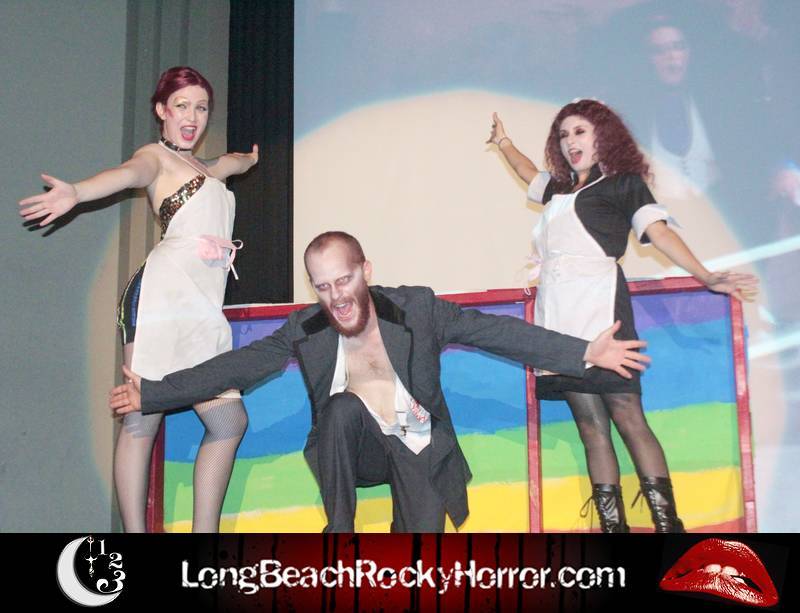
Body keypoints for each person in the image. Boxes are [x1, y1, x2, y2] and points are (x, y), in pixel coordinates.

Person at [110, 231, 653, 533]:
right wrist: (153, 392)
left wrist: (585, 352)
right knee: (342, 408)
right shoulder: (307, 327)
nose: (337, 297)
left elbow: (498, 332)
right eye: (323, 286)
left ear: (366, 270)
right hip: (356, 449)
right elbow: (237, 367)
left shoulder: (417, 308)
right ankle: (340, 537)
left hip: (417, 444)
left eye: (344, 280)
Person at [487, 99, 757, 532]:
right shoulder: (557, 190)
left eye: (580, 131)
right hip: (559, 322)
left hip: (601, 313)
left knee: (628, 416)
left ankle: (668, 528)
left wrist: (707, 275)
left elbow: (660, 233)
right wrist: (503, 143)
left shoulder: (623, 185)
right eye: (563, 135)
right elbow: (526, 172)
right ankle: (615, 532)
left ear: (602, 136)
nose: (570, 141)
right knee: (590, 427)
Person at [19, 66, 259, 533]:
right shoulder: (155, 158)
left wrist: (248, 160)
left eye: (201, 108)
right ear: (162, 111)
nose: (192, 117)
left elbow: (229, 163)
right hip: (159, 301)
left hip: (201, 312)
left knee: (229, 421)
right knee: (141, 419)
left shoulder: (207, 169)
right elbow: (127, 175)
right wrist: (78, 192)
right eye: (182, 106)